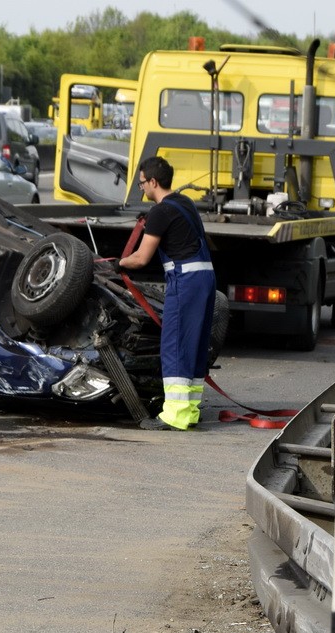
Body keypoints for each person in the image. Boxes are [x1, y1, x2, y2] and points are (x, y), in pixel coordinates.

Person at [115, 156, 217, 431]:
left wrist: (118, 263)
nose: (141, 189)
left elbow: (141, 258)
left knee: (175, 344)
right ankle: (190, 410)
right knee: (193, 345)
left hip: (185, 280)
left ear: (153, 182)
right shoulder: (184, 202)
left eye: (141, 183)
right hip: (205, 278)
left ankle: (174, 415)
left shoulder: (160, 212)